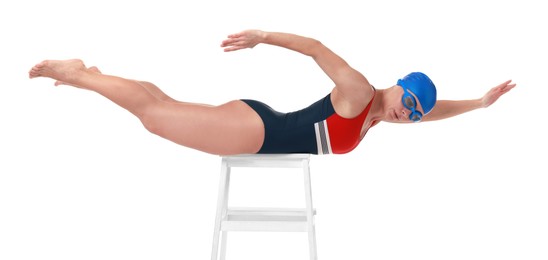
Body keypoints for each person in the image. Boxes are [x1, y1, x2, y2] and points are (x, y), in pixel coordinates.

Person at [28, 30, 515, 156]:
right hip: (256, 131)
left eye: (414, 116)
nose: (409, 118)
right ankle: (79, 77)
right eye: (409, 106)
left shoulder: (379, 114)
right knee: (156, 116)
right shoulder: (361, 91)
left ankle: (89, 71)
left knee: (165, 106)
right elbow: (317, 48)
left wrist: (478, 103)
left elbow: (434, 111)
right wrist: (262, 36)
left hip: (259, 127)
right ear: (399, 88)